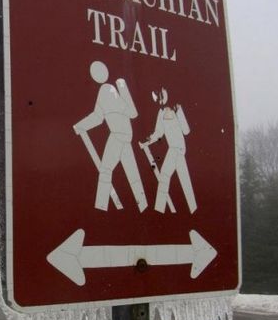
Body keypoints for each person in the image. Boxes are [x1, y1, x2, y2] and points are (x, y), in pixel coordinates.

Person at [74, 61, 148, 212]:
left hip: (118, 136)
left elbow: (130, 113)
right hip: (125, 137)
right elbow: (98, 116)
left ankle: (101, 206)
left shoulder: (110, 90)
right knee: (132, 175)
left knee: (106, 170)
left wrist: (80, 126)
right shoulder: (106, 90)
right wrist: (80, 125)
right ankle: (143, 207)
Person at [140, 88, 197, 213]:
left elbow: (186, 131)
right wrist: (147, 142)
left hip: (179, 149)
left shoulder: (177, 109)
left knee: (180, 179)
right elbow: (159, 132)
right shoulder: (160, 113)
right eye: (156, 98)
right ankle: (160, 210)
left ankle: (192, 209)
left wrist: (179, 112)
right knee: (168, 177)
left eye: (159, 96)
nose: (159, 100)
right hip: (172, 149)